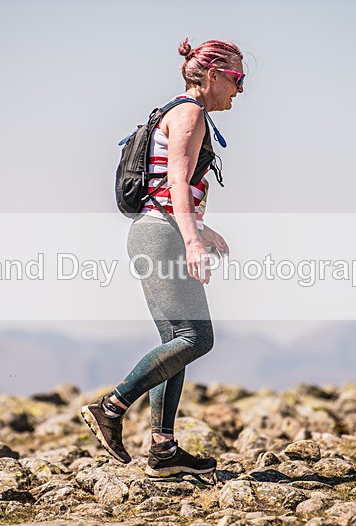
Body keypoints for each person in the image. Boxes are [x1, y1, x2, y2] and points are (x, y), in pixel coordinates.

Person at [81, 38, 245, 479]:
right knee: (196, 338)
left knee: (177, 341)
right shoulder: (190, 113)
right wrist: (193, 241)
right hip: (162, 237)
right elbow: (176, 181)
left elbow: (166, 189)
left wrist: (201, 230)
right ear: (213, 75)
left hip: (156, 231)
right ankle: (110, 408)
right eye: (237, 78)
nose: (241, 89)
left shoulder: (179, 111)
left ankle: (164, 449)